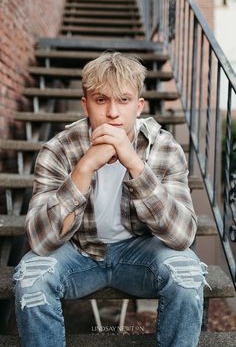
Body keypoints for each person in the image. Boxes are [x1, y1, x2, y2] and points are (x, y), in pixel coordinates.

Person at [13, 52, 209, 347]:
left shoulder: (163, 147)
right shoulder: (58, 149)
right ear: (86, 105)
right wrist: (84, 169)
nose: (113, 113)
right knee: (31, 277)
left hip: (140, 254)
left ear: (139, 106)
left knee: (187, 273)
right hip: (79, 253)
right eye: (101, 100)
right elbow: (41, 242)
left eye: (124, 100)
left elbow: (182, 237)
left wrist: (136, 166)